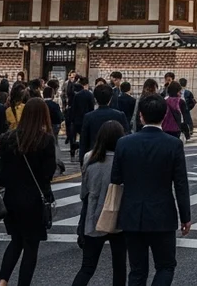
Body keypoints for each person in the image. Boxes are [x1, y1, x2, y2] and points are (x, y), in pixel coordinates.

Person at [111, 95, 191, 286]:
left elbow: (116, 178)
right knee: (165, 266)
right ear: (164, 116)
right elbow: (180, 184)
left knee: (137, 270)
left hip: (132, 213)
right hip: (162, 214)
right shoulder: (173, 145)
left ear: (141, 116)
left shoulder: (124, 143)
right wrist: (185, 216)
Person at [0, 98, 57, 286]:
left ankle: (2, 280)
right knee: (31, 247)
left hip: (11, 199)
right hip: (34, 201)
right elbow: (48, 173)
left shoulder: (8, 138)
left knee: (16, 241)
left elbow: (1, 174)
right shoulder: (45, 140)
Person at [74, 121, 128, 286]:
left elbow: (84, 193)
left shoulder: (89, 157)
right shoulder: (124, 159)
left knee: (87, 267)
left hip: (94, 218)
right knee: (119, 266)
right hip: (118, 216)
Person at [81, 84, 130, 159]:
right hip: (115, 156)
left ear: (95, 98)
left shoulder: (88, 116)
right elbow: (126, 136)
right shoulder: (119, 115)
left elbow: (84, 141)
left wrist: (82, 160)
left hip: (93, 155)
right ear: (110, 98)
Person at [67, 78, 95, 157]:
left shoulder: (77, 95)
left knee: (74, 136)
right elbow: (91, 108)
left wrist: (72, 119)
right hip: (86, 119)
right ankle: (83, 153)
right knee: (85, 138)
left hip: (77, 120)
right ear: (86, 85)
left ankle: (73, 149)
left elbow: (74, 108)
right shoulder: (90, 95)